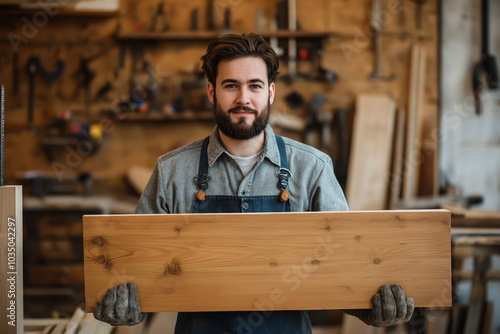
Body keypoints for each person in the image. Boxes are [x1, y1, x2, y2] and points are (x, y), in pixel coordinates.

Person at [93, 32, 414, 333]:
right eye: (231, 85)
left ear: (270, 92)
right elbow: (135, 273)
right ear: (211, 91)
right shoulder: (172, 171)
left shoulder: (312, 168)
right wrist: (126, 306)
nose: (243, 98)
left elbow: (345, 268)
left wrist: (370, 309)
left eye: (255, 86)